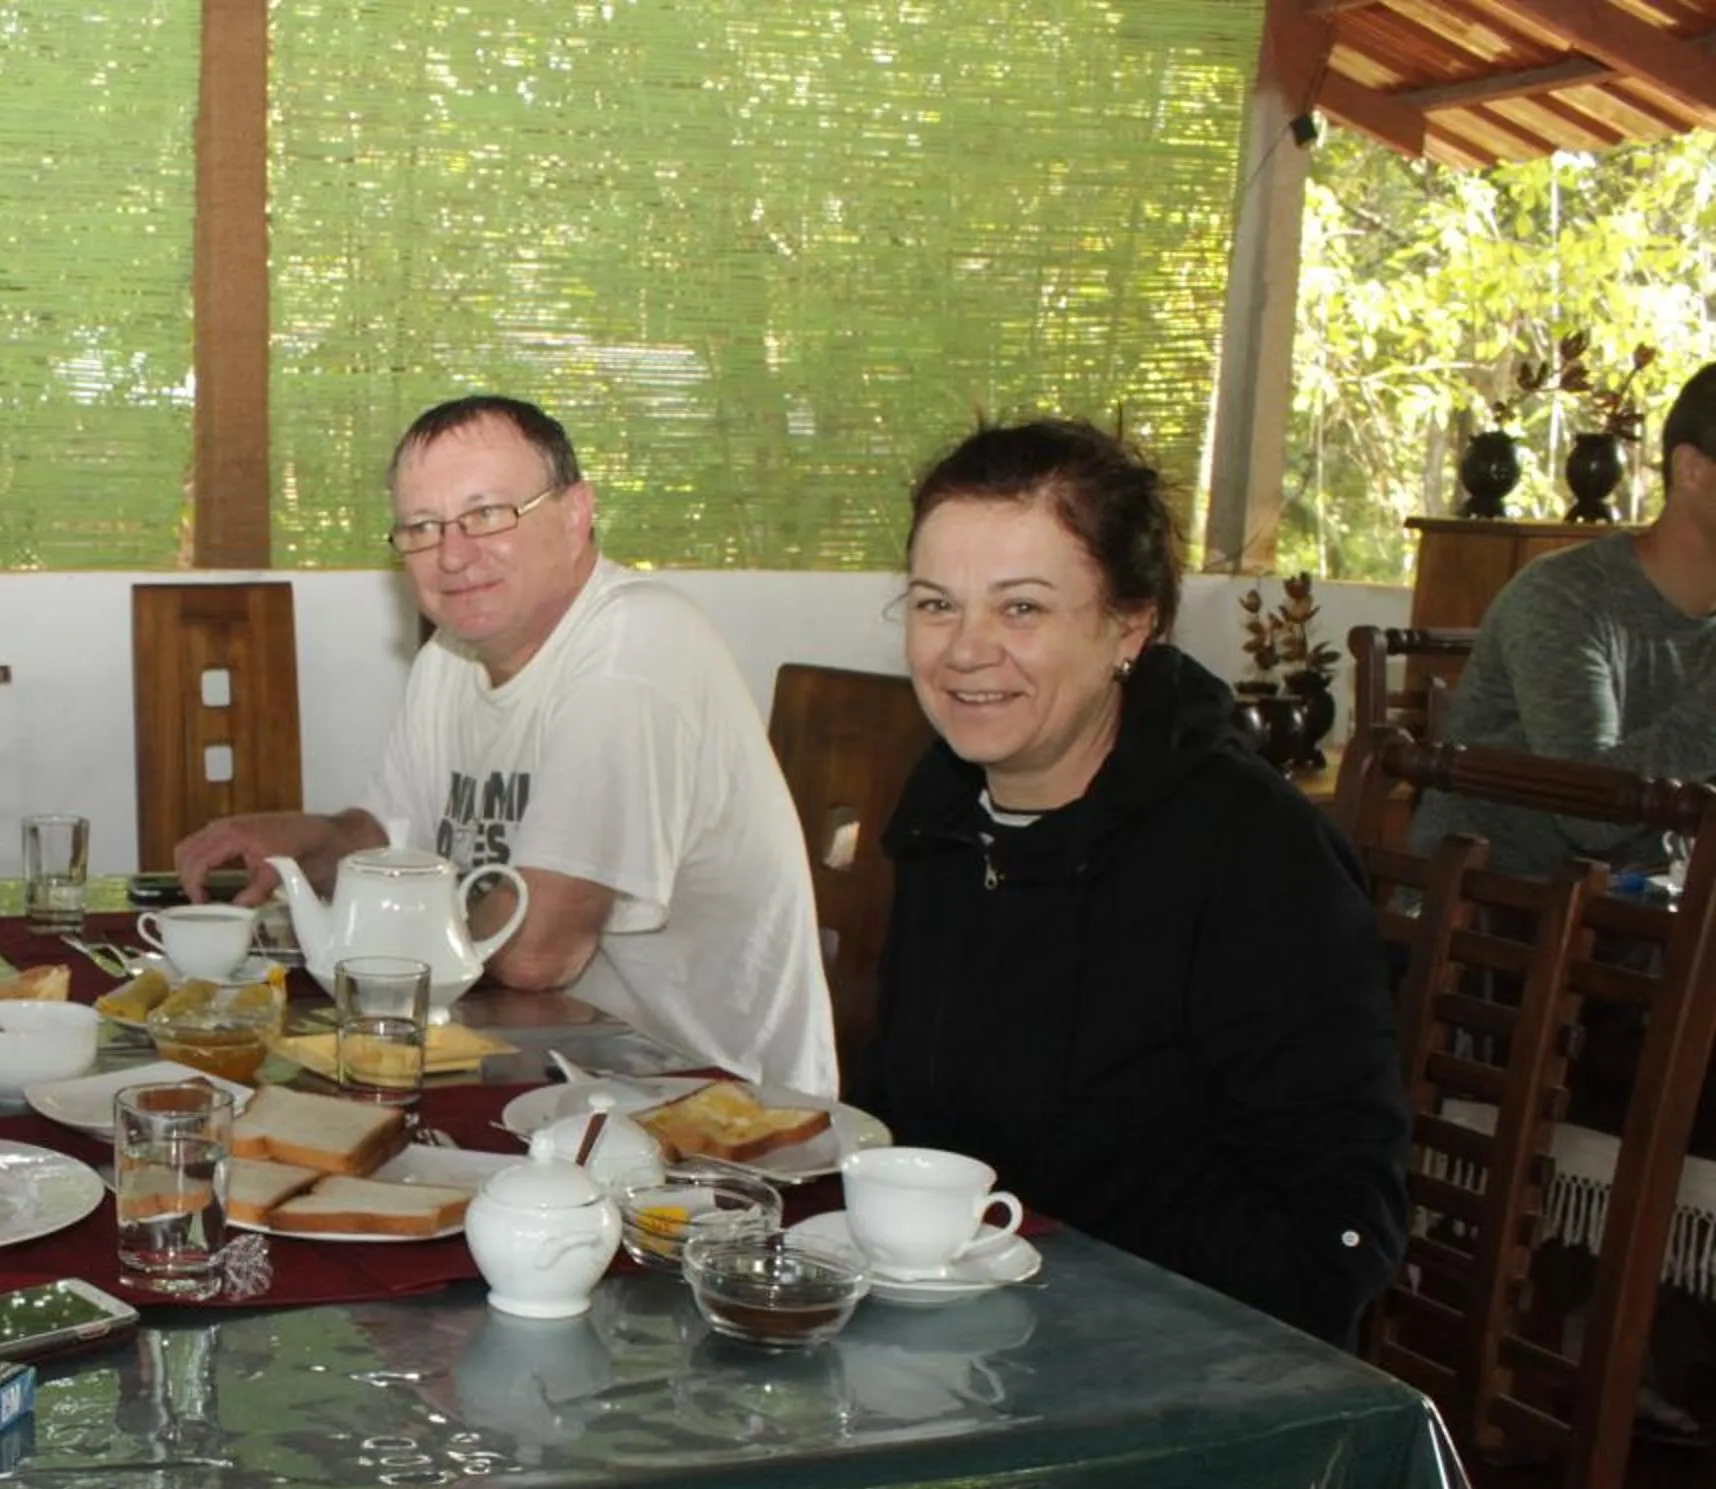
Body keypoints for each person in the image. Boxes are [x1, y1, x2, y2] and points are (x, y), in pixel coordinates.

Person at [854, 419, 1406, 1345]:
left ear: (1131, 624)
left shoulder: (1251, 853)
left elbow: (1337, 1233)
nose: (964, 649)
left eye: (1021, 608)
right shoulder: (945, 810)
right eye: (935, 605)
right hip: (960, 1332)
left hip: (1167, 1367)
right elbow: (916, 1122)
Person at [172, 395, 835, 1093]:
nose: (454, 555)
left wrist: (393, 918)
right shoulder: (450, 660)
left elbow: (533, 955)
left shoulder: (636, 648)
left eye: (487, 515)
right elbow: (389, 838)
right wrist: (303, 840)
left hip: (715, 1108)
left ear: (576, 515)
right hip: (555, 1069)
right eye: (422, 528)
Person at [1409, 361, 1716, 877]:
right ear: (1692, 471)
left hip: (1647, 926)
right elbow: (1591, 814)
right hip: (1489, 923)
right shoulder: (1563, 597)